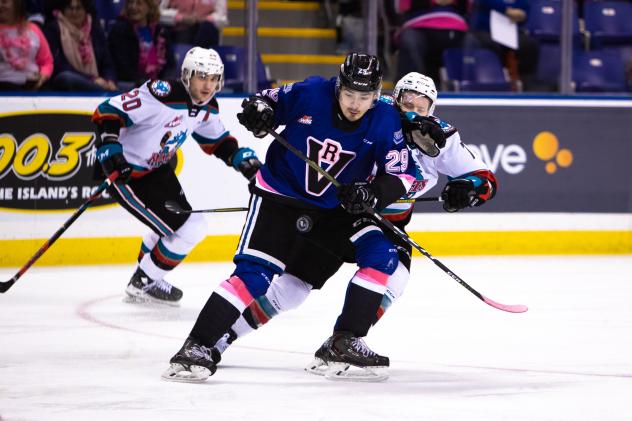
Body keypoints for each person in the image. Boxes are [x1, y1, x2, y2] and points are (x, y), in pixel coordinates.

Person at [209, 72, 498, 381]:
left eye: (422, 103)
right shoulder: (376, 115)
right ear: (392, 98)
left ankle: (343, 341)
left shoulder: (441, 137)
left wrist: (468, 188)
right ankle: (222, 335)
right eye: (406, 99)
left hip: (385, 223)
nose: (412, 107)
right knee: (291, 289)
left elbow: (484, 177)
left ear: (433, 108)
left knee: (394, 277)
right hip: (338, 214)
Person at [161, 53, 417, 383]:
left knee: (382, 257)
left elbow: (404, 175)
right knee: (254, 276)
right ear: (338, 86)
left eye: (364, 97)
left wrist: (373, 193)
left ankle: (346, 339)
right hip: (279, 196)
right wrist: (258, 112)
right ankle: (197, 345)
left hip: (335, 209)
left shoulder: (385, 118)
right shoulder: (311, 93)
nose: (355, 104)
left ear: (377, 94)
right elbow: (262, 102)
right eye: (350, 95)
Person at [91, 46, 260, 306]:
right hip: (126, 173)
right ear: (187, 76)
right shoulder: (162, 95)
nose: (208, 85)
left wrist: (245, 163)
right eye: (202, 76)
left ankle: (147, 274)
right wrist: (111, 151)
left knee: (181, 225)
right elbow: (107, 111)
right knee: (190, 229)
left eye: (214, 78)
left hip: (156, 170)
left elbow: (218, 142)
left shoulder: (207, 107)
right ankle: (144, 280)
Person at [44, 0, 118, 91]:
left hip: (99, 81)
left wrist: (110, 80)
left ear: (85, 10)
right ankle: (100, 90)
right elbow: (59, 66)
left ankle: (102, 89)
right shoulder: (53, 29)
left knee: (130, 86)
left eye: (78, 8)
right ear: (63, 10)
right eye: (70, 8)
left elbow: (107, 62)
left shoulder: (94, 29)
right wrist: (91, 79)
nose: (74, 12)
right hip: (71, 82)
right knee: (66, 77)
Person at [392, 0, 470, 85]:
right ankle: (409, 90)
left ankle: (467, 90)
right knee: (409, 42)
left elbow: (469, 6)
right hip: (417, 25)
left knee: (472, 45)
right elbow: (400, 6)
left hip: (455, 27)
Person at [468, 0, 539, 90]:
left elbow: (524, 7)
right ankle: (492, 84)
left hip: (510, 30)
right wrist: (506, 10)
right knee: (490, 45)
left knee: (529, 45)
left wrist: (521, 15)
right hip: (485, 30)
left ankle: (526, 87)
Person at [107, 0, 176, 91]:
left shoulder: (160, 31)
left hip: (157, 87)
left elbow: (170, 64)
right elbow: (123, 68)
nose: (133, 7)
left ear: (149, 7)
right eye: (130, 3)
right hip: (130, 86)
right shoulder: (119, 29)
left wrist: (164, 83)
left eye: (138, 3)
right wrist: (147, 85)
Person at [0, 0, 53, 90]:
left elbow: (46, 62)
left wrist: (43, 77)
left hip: (33, 86)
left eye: (4, 2)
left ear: (16, 4)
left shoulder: (34, 29)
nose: (0, 5)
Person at [158, 0, 226, 49]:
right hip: (179, 28)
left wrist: (207, 18)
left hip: (204, 30)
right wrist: (179, 17)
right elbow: (159, 11)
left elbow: (221, 16)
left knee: (207, 28)